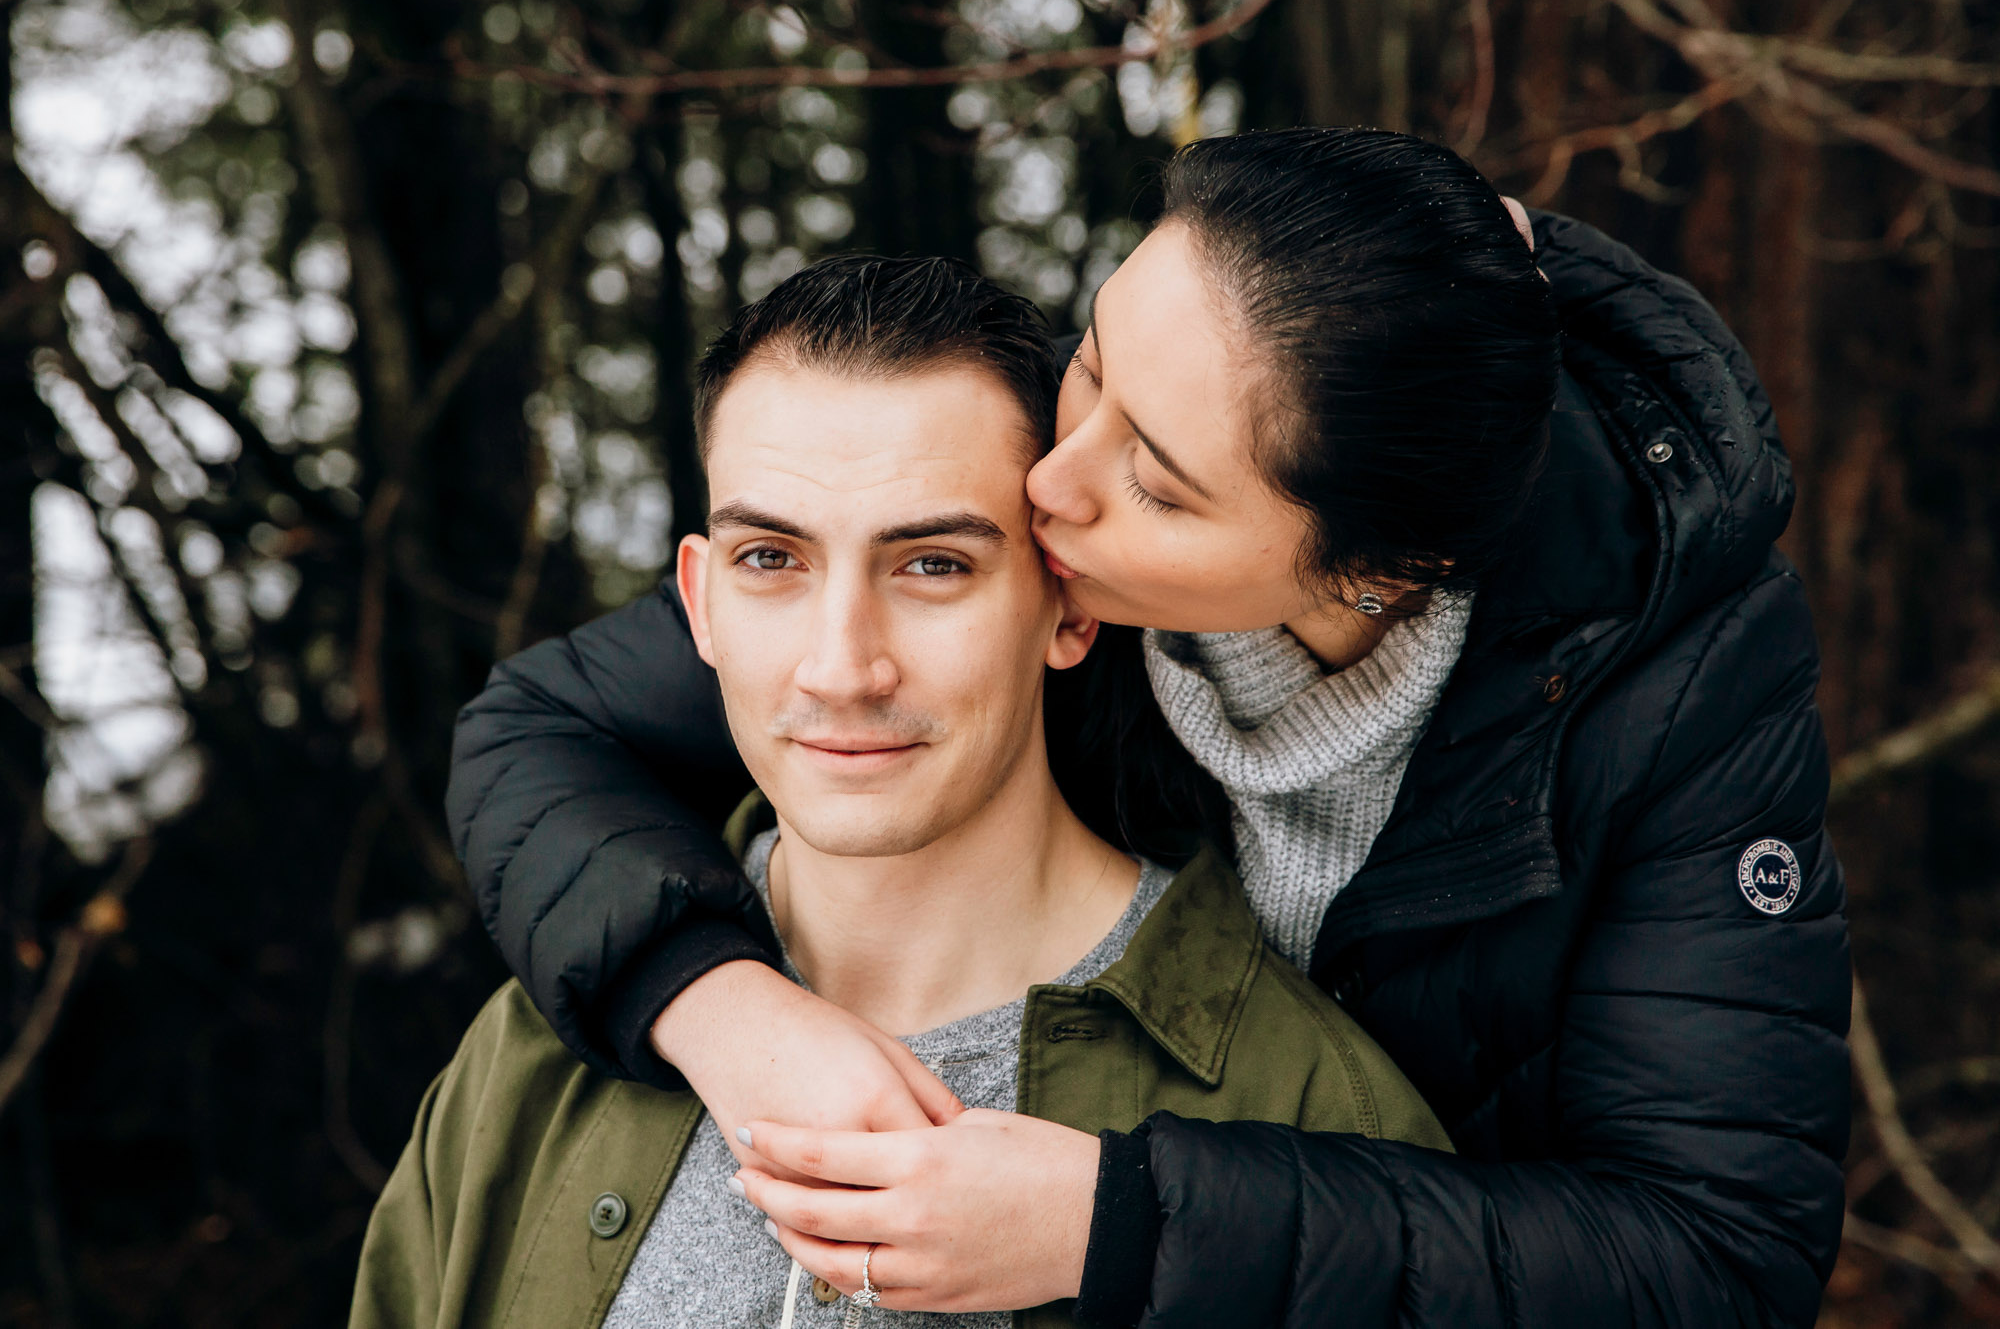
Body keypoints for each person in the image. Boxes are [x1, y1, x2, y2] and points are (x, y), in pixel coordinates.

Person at [448, 128, 1851, 1327]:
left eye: (1159, 484)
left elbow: (1719, 1260)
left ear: (1374, 574)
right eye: (1098, 359)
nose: (1047, 483)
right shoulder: (1086, 462)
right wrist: (731, 1016)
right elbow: (541, 732)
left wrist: (1116, 1221)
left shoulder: (1679, 688)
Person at [360, 254, 1449, 1329]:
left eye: (931, 564)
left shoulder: (1313, 1113)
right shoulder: (535, 1053)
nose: (841, 667)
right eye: (770, 560)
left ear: (1069, 607)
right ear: (698, 603)